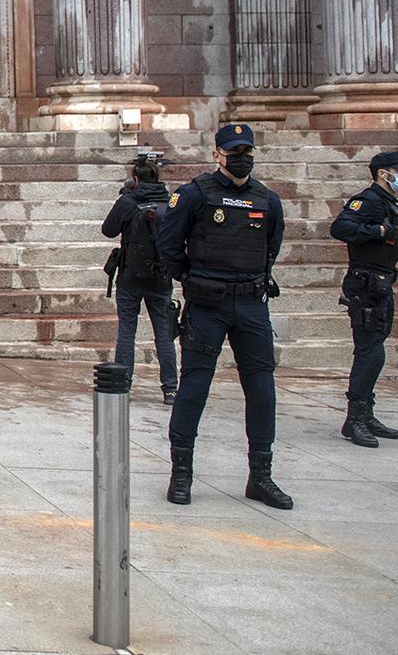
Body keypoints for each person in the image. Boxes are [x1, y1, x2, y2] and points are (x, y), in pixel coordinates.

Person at [156, 122, 292, 511]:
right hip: (207, 304)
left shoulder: (267, 200)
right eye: (233, 151)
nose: (241, 157)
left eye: (246, 151)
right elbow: (168, 243)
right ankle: (181, 473)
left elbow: (271, 246)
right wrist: (191, 278)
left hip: (250, 303)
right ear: (217, 155)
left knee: (262, 389)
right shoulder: (194, 194)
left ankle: (260, 477)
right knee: (194, 387)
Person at [329, 151, 398, 448]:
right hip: (365, 284)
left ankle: (365, 414)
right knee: (370, 352)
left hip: (381, 283)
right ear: (383, 173)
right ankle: (354, 418)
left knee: (374, 349)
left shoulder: (388, 203)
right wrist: (377, 230)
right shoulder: (367, 201)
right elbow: (340, 228)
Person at [100, 156, 178, 404]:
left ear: (135, 178)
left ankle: (123, 385)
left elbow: (108, 230)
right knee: (164, 334)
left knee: (126, 332)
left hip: (131, 275)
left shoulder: (129, 201)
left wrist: (125, 199)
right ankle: (170, 388)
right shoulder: (171, 202)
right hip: (161, 276)